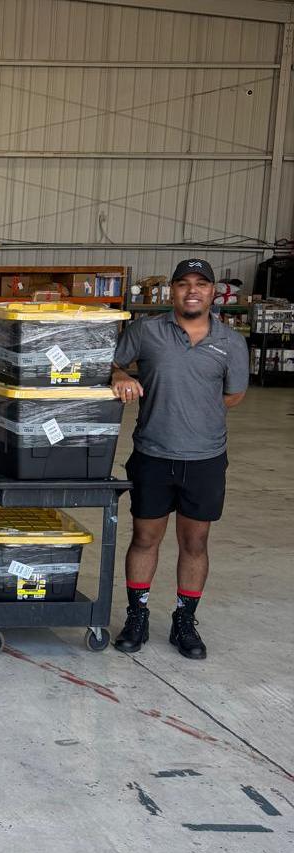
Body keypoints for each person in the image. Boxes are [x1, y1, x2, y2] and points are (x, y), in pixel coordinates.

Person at [110, 259, 248, 660]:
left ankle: (184, 621)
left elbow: (233, 395)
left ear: (212, 291)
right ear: (172, 290)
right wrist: (120, 376)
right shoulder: (146, 331)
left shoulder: (231, 341)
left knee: (195, 541)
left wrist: (196, 411)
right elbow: (114, 363)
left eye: (201, 284)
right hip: (153, 453)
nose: (192, 290)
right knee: (144, 538)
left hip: (205, 459)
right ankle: (137, 616)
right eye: (184, 283)